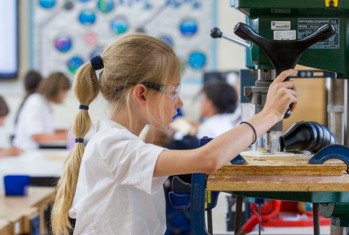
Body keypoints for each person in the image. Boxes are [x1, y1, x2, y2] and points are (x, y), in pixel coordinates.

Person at [51, 33, 297, 235]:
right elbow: (207, 159)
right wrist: (268, 115)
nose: (179, 103)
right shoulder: (112, 145)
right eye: (173, 92)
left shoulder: (119, 141)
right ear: (141, 94)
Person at [13, 72, 71, 150]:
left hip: (35, 151)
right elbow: (37, 136)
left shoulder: (44, 103)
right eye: (64, 91)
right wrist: (67, 136)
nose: (65, 95)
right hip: (27, 153)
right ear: (55, 89)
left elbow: (45, 130)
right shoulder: (36, 102)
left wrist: (65, 131)